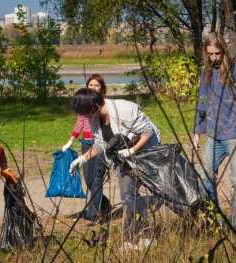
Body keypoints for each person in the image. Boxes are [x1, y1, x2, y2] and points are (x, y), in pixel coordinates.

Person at [69, 88, 161, 249]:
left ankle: (139, 234)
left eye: (85, 113)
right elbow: (100, 144)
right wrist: (82, 159)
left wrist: (133, 150)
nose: (85, 117)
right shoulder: (94, 119)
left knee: (129, 197)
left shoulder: (124, 109)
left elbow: (148, 131)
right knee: (128, 196)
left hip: (146, 153)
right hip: (125, 160)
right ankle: (139, 237)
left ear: (94, 106)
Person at [193, 32, 236, 229]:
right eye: (210, 54)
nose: (214, 58)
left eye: (217, 54)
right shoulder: (206, 72)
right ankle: (214, 221)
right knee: (205, 178)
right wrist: (197, 130)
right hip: (212, 134)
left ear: (224, 51)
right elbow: (202, 102)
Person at [62, 74, 111, 222]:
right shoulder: (84, 103)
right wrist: (70, 140)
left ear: (102, 88)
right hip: (86, 143)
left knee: (96, 179)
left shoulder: (104, 105)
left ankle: (94, 212)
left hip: (99, 145)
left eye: (97, 85)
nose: (94, 88)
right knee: (89, 180)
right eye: (91, 85)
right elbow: (80, 123)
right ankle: (105, 204)